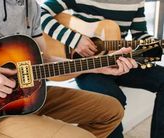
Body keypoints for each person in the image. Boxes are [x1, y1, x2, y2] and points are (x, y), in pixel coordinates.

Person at [0, 0, 138, 137]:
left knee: (111, 111)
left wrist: (97, 67)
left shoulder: (32, 8)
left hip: (30, 97)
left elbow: (45, 63)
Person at [41, 0, 164, 138]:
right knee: (113, 98)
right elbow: (40, 13)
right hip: (86, 66)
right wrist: (75, 40)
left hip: (121, 61)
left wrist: (156, 46)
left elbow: (140, 35)